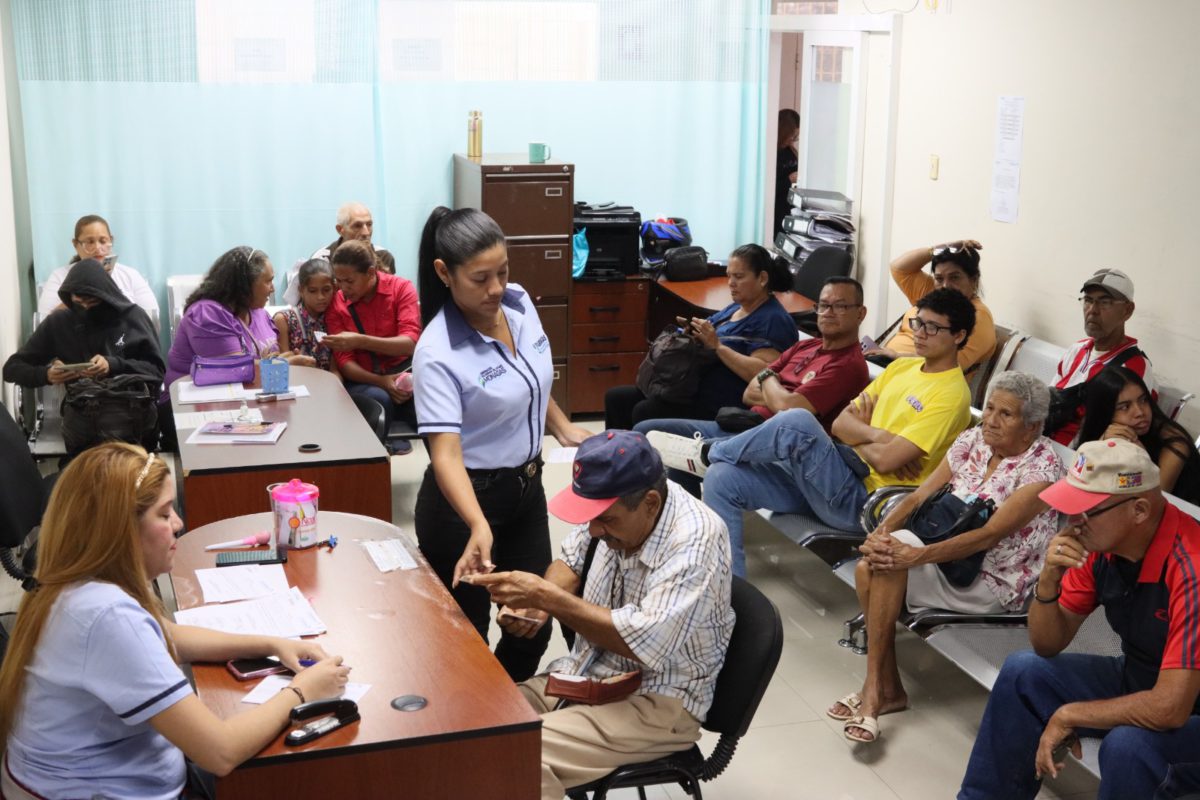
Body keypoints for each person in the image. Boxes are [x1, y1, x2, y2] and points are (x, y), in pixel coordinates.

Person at [0, 443, 350, 799]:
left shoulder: (72, 582)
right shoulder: (106, 617)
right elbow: (220, 752)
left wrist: (273, 643)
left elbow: (170, 636)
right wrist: (304, 690)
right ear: (122, 530)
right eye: (165, 515)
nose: (179, 525)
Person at [464, 430, 735, 800]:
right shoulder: (612, 510)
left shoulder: (695, 539)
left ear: (651, 503)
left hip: (658, 700)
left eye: (605, 520)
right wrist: (535, 605)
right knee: (471, 729)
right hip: (587, 673)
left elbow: (643, 643)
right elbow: (573, 561)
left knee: (516, 756)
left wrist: (547, 597)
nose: (594, 529)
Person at [649, 288, 975, 578]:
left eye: (933, 327)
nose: (920, 333)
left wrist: (860, 436)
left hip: (864, 501)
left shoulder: (951, 396)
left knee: (799, 422)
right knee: (722, 478)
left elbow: (889, 461)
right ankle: (728, 588)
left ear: (958, 336)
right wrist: (876, 435)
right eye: (918, 323)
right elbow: (841, 425)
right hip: (834, 474)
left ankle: (710, 451)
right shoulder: (903, 367)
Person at [958, 438, 1200, 800]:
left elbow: (1170, 708)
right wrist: (1049, 578)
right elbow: (1047, 643)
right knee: (1023, 672)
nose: (1073, 522)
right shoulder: (1103, 546)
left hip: (1188, 706)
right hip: (1146, 678)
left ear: (1139, 511)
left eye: (1088, 510)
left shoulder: (1192, 567)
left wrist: (1069, 715)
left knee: (1128, 748)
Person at [829, 372, 1063, 745]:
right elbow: (917, 497)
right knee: (870, 563)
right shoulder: (974, 439)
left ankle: (878, 691)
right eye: (989, 408)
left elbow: (988, 536)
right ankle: (881, 689)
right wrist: (880, 534)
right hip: (945, 560)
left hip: (990, 580)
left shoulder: (1042, 469)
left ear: (1032, 426)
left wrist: (914, 554)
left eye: (1006, 414)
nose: (990, 420)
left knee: (879, 566)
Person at [412, 206, 591, 681]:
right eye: (480, 278)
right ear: (443, 273)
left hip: (525, 491)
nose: (496, 289)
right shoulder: (437, 353)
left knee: (530, 622)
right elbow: (444, 451)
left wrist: (561, 425)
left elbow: (530, 379)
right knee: (465, 637)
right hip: (463, 507)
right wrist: (477, 523)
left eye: (503, 272)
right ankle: (474, 729)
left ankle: (506, 713)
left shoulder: (519, 303)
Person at [634, 276, 870, 500]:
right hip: (743, 424)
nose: (828, 313)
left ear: (861, 313)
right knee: (649, 433)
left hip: (777, 448)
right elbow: (749, 394)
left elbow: (790, 411)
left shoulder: (848, 365)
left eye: (839, 307)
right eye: (823, 305)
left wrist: (767, 378)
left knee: (661, 438)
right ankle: (683, 520)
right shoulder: (806, 346)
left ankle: (707, 460)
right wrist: (774, 387)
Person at [604, 243, 799, 430]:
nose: (731, 283)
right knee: (616, 398)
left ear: (762, 278)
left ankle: (640, 459)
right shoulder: (735, 308)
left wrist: (718, 347)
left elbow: (764, 372)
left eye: (739, 277)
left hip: (725, 403)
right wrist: (694, 332)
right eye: (729, 276)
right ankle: (614, 459)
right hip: (690, 389)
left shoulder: (774, 320)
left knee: (644, 412)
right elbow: (709, 336)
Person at [5, 259, 164, 393]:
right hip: (83, 414)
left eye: (93, 302)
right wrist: (46, 375)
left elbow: (157, 371)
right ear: (69, 298)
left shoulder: (132, 317)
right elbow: (12, 368)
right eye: (79, 303)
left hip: (132, 409)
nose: (86, 308)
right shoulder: (60, 323)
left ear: (107, 297)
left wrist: (113, 365)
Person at [323, 239, 422, 454]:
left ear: (370, 272)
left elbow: (409, 344)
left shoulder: (401, 288)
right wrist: (382, 382)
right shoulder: (337, 302)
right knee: (378, 401)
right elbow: (345, 362)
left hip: (404, 376)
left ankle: (446, 475)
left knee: (432, 408)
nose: (343, 288)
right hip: (365, 380)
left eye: (349, 281)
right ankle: (371, 472)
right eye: (338, 280)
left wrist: (360, 340)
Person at [1047, 268, 1154, 446]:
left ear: (1127, 310)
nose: (1093, 310)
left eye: (1105, 302)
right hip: (1043, 443)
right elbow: (1048, 400)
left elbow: (1118, 436)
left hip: (1077, 457)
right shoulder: (1077, 349)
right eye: (1088, 300)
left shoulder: (1133, 367)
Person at [865, 239, 996, 373]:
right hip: (884, 365)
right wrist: (938, 249)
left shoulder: (978, 317)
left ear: (973, 280)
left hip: (919, 379)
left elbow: (949, 365)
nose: (945, 286)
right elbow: (899, 268)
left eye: (954, 278)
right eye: (939, 278)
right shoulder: (933, 293)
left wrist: (897, 356)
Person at [1077, 365, 1200, 504]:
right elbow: (1081, 477)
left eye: (1143, 400)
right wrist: (1098, 447)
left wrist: (1141, 456)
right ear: (1104, 413)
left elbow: (1153, 500)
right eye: (1125, 407)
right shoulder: (1104, 434)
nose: (1140, 412)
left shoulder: (1175, 443)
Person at [37, 214, 159, 321]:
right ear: (76, 245)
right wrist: (73, 302)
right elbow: (43, 324)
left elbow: (151, 319)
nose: (98, 248)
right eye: (89, 242)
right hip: (75, 343)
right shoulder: (59, 276)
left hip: (122, 343)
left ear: (111, 241)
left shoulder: (130, 275)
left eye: (103, 241)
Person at [282, 201, 375, 306]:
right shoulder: (322, 258)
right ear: (340, 229)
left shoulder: (383, 255)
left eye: (369, 224)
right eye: (357, 226)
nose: (366, 232)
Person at [273, 258, 337, 373]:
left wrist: (335, 389)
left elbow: (335, 371)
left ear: (334, 288)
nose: (320, 297)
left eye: (326, 290)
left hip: (328, 385)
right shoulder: (284, 320)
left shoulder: (334, 319)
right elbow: (282, 367)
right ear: (301, 290)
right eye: (313, 291)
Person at [774, 108, 800, 237]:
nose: (792, 140)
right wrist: (788, 180)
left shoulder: (791, 152)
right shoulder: (771, 153)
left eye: (795, 137)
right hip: (775, 212)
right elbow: (769, 189)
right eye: (791, 136)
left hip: (790, 209)